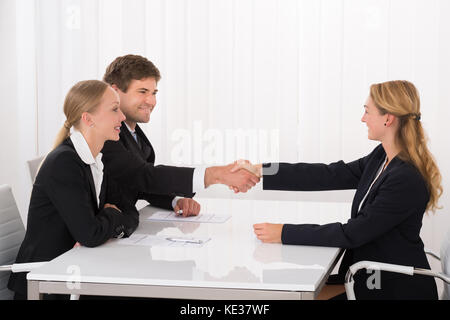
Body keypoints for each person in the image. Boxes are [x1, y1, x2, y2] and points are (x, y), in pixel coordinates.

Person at [232, 80, 442, 300]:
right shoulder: (382, 157)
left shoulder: (405, 178)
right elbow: (327, 174)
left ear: (388, 119)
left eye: (367, 112)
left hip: (391, 288)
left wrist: (283, 232)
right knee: (281, 286)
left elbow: (352, 234)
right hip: (368, 276)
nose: (363, 119)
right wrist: (262, 169)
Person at [8, 80, 139, 300]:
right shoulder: (65, 163)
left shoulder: (98, 159)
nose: (122, 117)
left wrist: (108, 221)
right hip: (47, 283)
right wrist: (111, 215)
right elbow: (90, 234)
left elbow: (130, 212)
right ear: (88, 119)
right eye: (114, 110)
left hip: (77, 272)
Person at [101, 55, 259, 216]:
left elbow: (138, 184)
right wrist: (215, 175)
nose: (151, 101)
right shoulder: (103, 133)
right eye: (142, 92)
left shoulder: (133, 134)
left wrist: (175, 200)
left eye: (154, 93)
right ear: (115, 92)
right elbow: (141, 175)